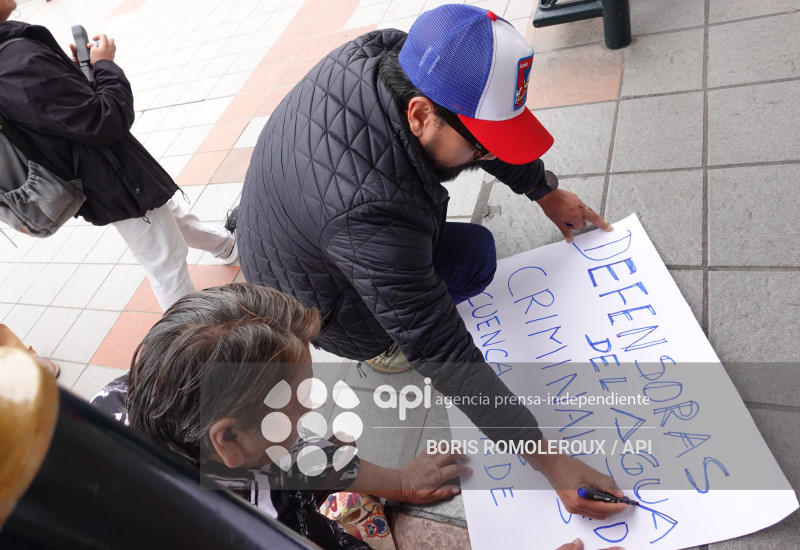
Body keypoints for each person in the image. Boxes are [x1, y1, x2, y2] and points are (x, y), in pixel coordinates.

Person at [236, 4, 622, 519]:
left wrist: (541, 188)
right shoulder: (370, 211)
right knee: (474, 262)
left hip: (291, 224)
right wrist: (549, 461)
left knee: (467, 249)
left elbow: (481, 130)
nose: (486, 157)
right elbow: (438, 343)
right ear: (419, 115)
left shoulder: (392, 53)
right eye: (481, 149)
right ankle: (377, 346)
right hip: (316, 300)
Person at [94, 283, 470, 549]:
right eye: (297, 405)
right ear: (229, 441)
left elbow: (299, 457)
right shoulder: (234, 527)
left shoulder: (138, 390)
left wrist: (402, 482)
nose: (309, 410)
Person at [0, 1, 237, 311]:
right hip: (111, 177)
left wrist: (76, 72)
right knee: (166, 263)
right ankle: (192, 347)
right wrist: (105, 66)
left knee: (170, 219)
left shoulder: (12, 56)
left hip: (96, 172)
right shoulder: (18, 62)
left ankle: (228, 247)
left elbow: (52, 111)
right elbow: (104, 120)